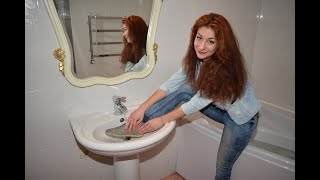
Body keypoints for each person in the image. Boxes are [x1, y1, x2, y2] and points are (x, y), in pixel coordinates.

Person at [125, 13, 261, 180]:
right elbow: (170, 84)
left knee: (223, 164)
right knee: (184, 88)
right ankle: (142, 123)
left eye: (211, 41)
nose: (201, 46)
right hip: (224, 109)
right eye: (199, 38)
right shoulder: (196, 58)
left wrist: (162, 120)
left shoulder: (224, 69)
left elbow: (194, 104)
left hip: (242, 119)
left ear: (221, 44)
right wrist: (141, 108)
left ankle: (150, 122)